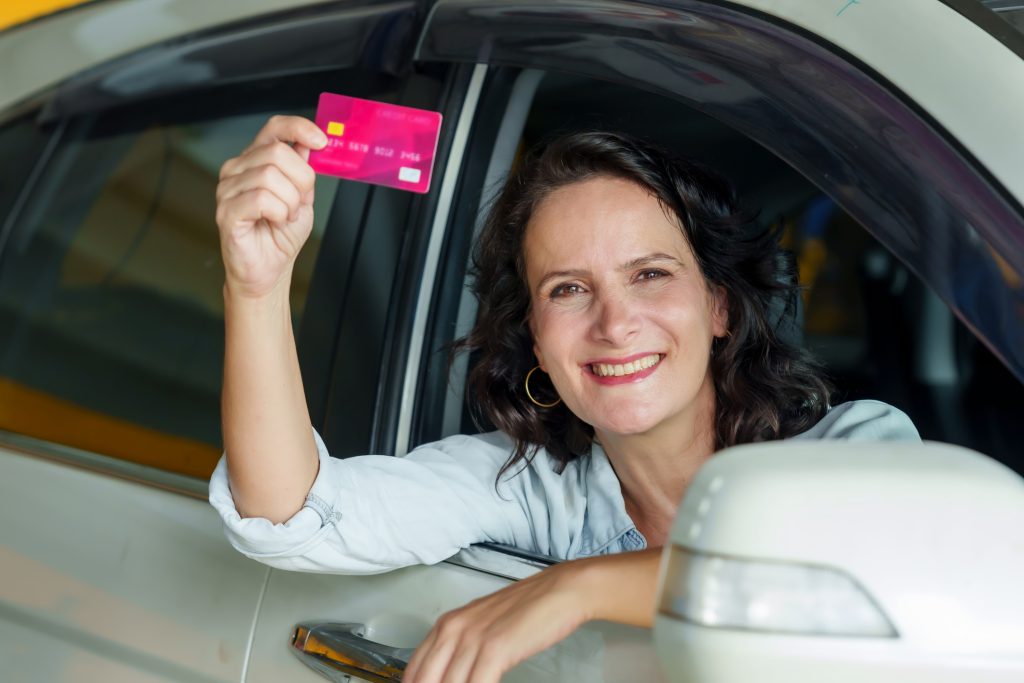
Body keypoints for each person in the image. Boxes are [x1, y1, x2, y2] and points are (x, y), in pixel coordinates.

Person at [210, 116, 919, 682]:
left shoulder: (858, 444)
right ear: (536, 339)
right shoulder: (530, 488)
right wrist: (256, 288)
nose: (615, 323)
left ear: (720, 306)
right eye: (568, 289)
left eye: (649, 274)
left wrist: (573, 589)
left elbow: (845, 567)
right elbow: (290, 509)